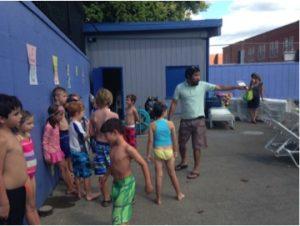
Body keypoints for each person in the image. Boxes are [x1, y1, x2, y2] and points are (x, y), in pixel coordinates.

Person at [168, 66, 246, 179]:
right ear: (188, 77)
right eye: (195, 75)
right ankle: (184, 162)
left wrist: (236, 87)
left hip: (199, 121)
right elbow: (174, 103)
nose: (198, 78)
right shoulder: (179, 87)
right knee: (181, 144)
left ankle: (196, 168)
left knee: (197, 146)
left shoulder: (203, 85)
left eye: (199, 75)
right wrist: (169, 120)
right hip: (185, 121)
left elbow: (220, 87)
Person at [100, 118, 153, 225]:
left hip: (127, 185)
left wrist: (148, 183)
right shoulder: (112, 147)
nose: (105, 139)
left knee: (117, 216)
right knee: (122, 213)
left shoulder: (128, 149)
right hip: (116, 184)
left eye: (106, 136)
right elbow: (113, 164)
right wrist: (105, 176)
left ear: (115, 132)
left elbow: (143, 163)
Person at [146, 101, 184, 205]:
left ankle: (158, 199)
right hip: (169, 151)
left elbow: (150, 141)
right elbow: (175, 139)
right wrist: (176, 151)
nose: (167, 111)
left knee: (159, 175)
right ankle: (179, 194)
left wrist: (148, 154)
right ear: (163, 112)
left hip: (158, 151)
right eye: (166, 110)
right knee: (172, 173)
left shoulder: (152, 125)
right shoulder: (170, 124)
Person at [0, 94, 27, 225]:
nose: (20, 116)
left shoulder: (11, 133)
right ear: (2, 119)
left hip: (18, 191)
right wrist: (4, 203)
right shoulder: (2, 139)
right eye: (16, 114)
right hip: (8, 195)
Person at [89, 88, 119, 207]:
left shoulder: (94, 114)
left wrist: (97, 133)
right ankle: (120, 195)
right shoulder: (114, 115)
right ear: (109, 100)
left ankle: (106, 198)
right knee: (117, 171)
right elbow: (117, 134)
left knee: (102, 173)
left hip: (99, 146)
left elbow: (91, 132)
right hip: (111, 147)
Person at [67, 101, 100, 200]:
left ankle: (80, 192)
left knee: (77, 173)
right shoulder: (76, 124)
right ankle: (89, 194)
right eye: (82, 112)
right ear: (77, 113)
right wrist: (91, 129)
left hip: (74, 151)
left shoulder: (71, 122)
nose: (83, 114)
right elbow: (84, 137)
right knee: (86, 174)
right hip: (80, 152)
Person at [42, 104, 75, 194]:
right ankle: (70, 187)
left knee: (65, 168)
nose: (62, 117)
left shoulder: (56, 123)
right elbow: (45, 141)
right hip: (53, 152)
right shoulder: (48, 126)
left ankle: (71, 186)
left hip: (58, 150)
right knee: (63, 169)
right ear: (53, 115)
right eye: (60, 115)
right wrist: (47, 155)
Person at [15, 110, 40, 224]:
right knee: (29, 208)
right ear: (19, 124)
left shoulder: (27, 136)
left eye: (32, 123)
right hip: (24, 176)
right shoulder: (17, 139)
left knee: (33, 205)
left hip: (32, 174)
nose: (32, 126)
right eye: (28, 123)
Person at [52, 87, 73, 182]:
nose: (66, 98)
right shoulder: (58, 107)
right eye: (63, 96)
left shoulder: (64, 106)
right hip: (63, 134)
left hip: (66, 133)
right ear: (56, 97)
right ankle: (69, 174)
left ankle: (70, 173)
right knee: (67, 157)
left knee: (69, 156)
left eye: (66, 96)